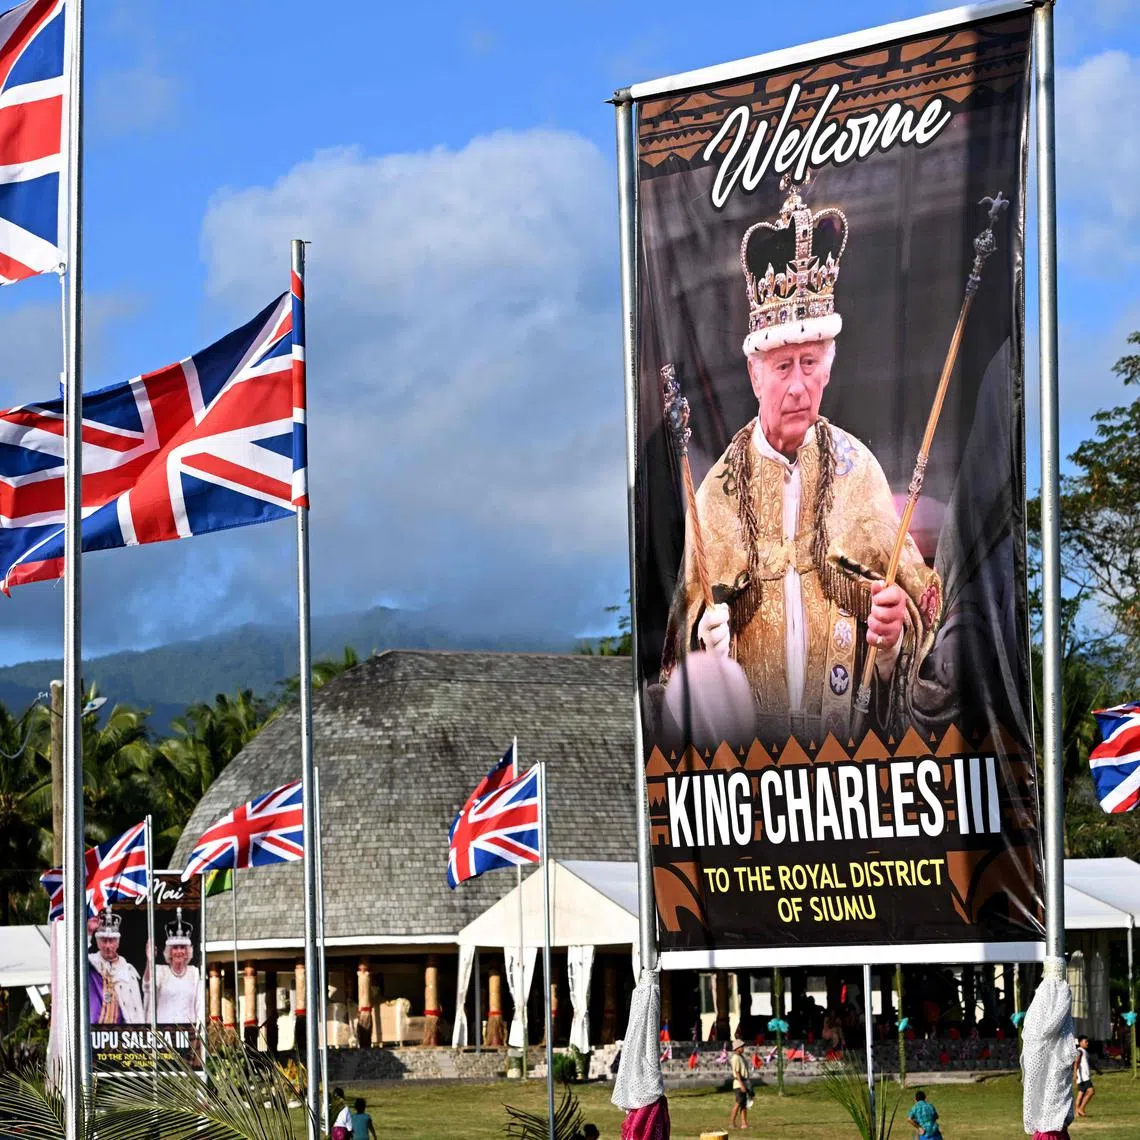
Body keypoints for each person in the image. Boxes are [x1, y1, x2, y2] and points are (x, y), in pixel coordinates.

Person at [661, 176, 941, 744]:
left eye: (810, 363)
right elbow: (679, 644)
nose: (797, 386)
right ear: (754, 373)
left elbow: (919, 603)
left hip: (844, 766)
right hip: (751, 770)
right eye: (783, 366)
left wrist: (892, 639)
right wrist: (702, 640)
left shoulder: (857, 470)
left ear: (830, 367)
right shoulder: (716, 491)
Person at [144, 908, 203, 1024]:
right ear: (169, 951)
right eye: (175, 948)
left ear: (187, 952)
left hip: (187, 1034)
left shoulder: (194, 973)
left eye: (182, 947)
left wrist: (198, 1034)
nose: (179, 951)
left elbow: (199, 1006)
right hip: (163, 1034)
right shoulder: (160, 971)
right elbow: (147, 986)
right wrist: (150, 961)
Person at [88, 909, 145, 1024]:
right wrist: (88, 932)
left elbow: (136, 1009)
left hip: (120, 1032)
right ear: (98, 942)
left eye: (112, 941)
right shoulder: (90, 962)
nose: (108, 946)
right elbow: (74, 958)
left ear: (118, 942)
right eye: (104, 941)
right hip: (94, 1030)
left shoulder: (128, 971)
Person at [728, 1038, 751, 1130]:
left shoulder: (741, 1057)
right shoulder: (735, 1058)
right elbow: (737, 1072)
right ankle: (731, 1122)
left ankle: (744, 1123)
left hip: (744, 1082)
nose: (743, 1048)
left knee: (743, 1104)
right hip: (739, 1083)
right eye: (741, 1047)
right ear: (737, 1048)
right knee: (738, 1103)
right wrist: (741, 1085)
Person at [1074, 1034, 1095, 1117]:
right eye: (1085, 1042)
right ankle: (1081, 1108)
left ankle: (1077, 1112)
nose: (1087, 1043)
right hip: (1083, 1076)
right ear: (1080, 1043)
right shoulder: (1080, 1051)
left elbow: (1089, 1063)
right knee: (1091, 1091)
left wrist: (1098, 1070)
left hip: (1083, 1077)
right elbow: (1076, 1062)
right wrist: (1075, 1073)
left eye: (1087, 1041)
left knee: (1081, 1094)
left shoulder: (1084, 1051)